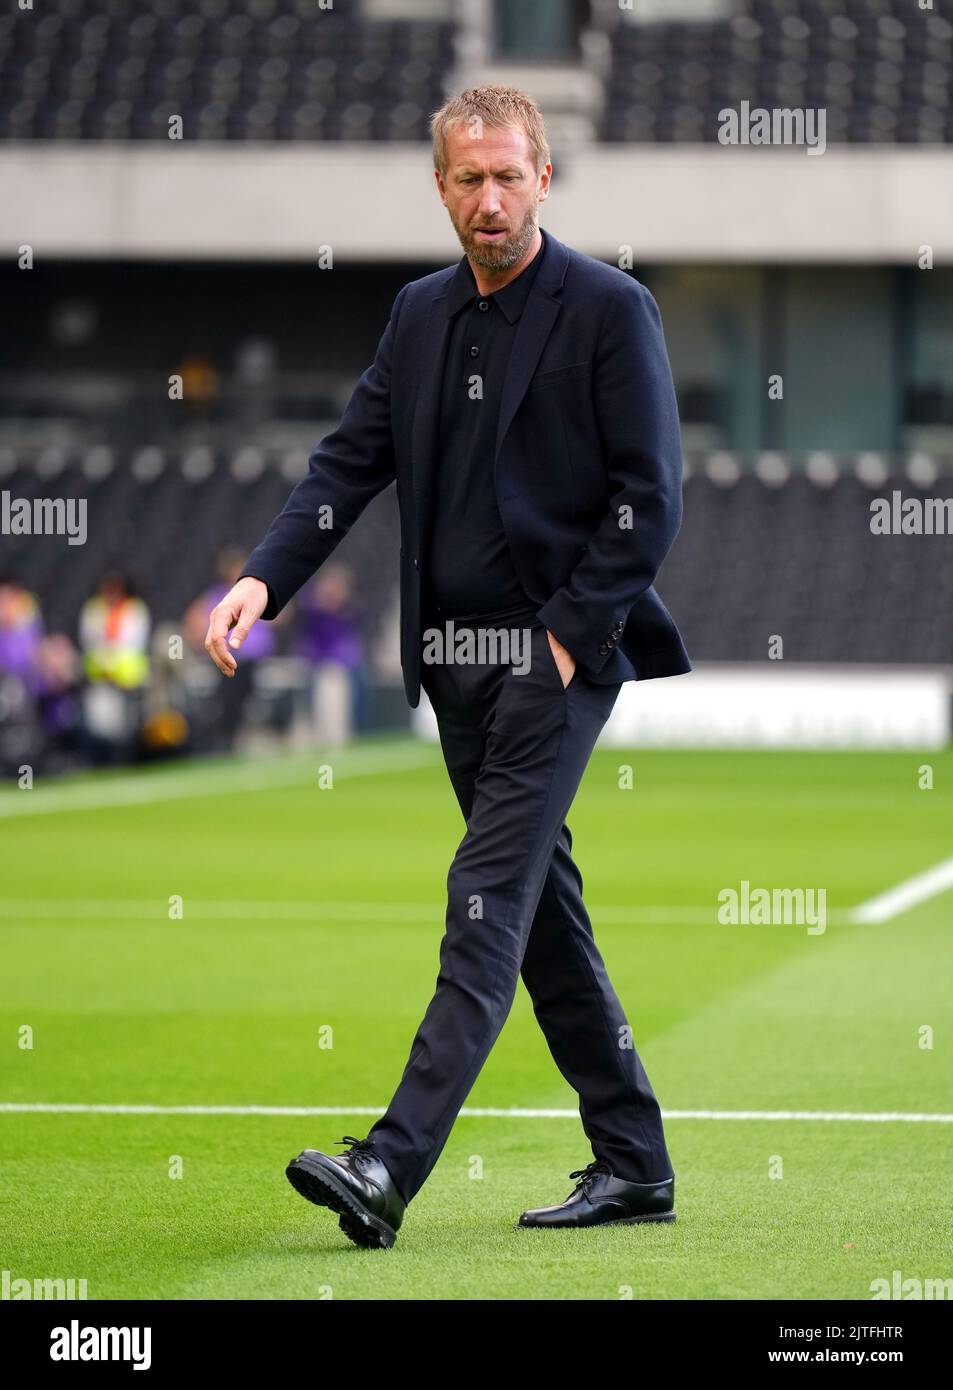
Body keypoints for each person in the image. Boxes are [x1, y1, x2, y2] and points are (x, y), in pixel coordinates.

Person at [204, 86, 690, 1249]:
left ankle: (388, 1161)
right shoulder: (418, 315)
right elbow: (346, 464)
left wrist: (564, 640)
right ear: (439, 186)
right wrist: (263, 578)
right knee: (535, 916)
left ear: (542, 178)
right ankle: (633, 1159)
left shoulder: (608, 309)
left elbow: (649, 498)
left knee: (480, 902)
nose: (488, 198)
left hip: (553, 656)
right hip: (452, 665)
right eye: (466, 178)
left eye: (506, 176)